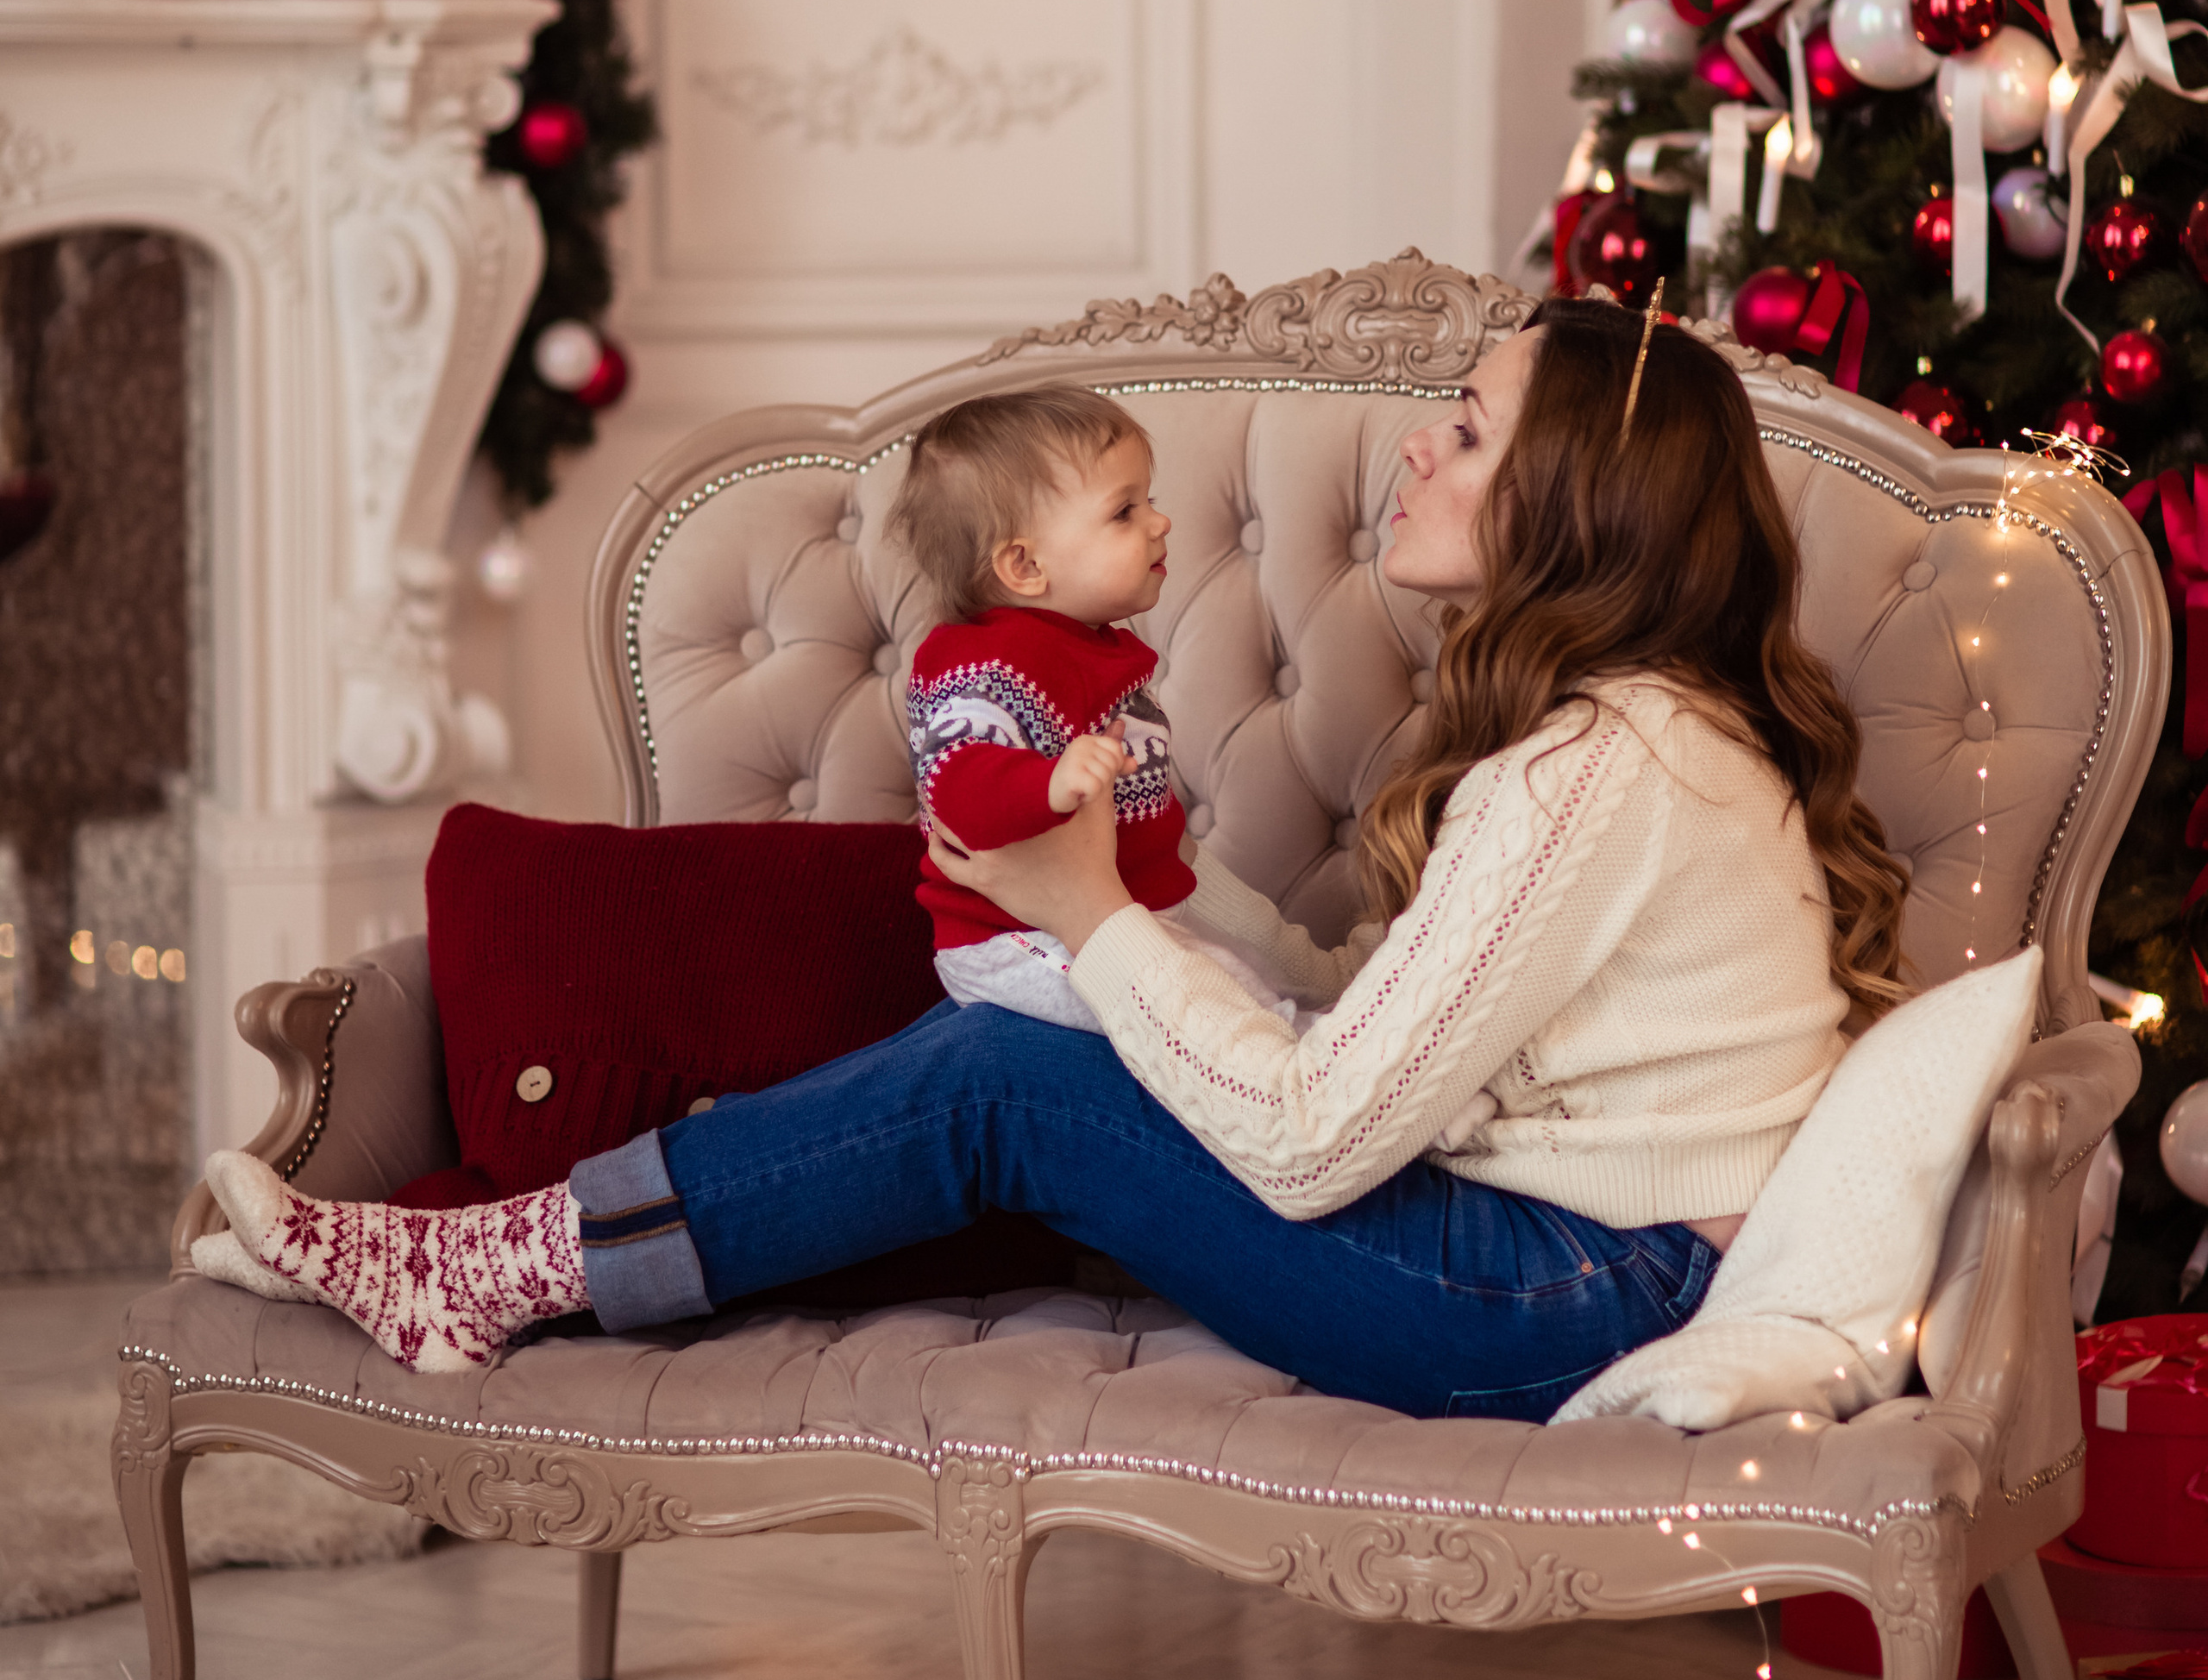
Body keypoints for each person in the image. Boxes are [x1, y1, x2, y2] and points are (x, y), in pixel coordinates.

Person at [193, 298, 1908, 1421]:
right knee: (1014, 1065)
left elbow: (1314, 1147)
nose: (1416, 442)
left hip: (1574, 1299)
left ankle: (487, 1269)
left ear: (1570, 503)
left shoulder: (1597, 766)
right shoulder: (1637, 729)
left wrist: (1090, 917)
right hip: (1595, 1261)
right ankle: (514, 1255)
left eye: (1464, 429)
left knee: (1007, 1081)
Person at [891, 385, 1313, 1030]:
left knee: (1238, 980)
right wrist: (1049, 782)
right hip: (1015, 940)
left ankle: (1323, 1039)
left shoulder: (1086, 641)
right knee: (1214, 1007)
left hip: (1117, 913)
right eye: (1124, 512)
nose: (1159, 522)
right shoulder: (981, 663)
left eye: (1150, 501)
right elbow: (955, 783)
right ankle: (1316, 1061)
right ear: (1025, 564)